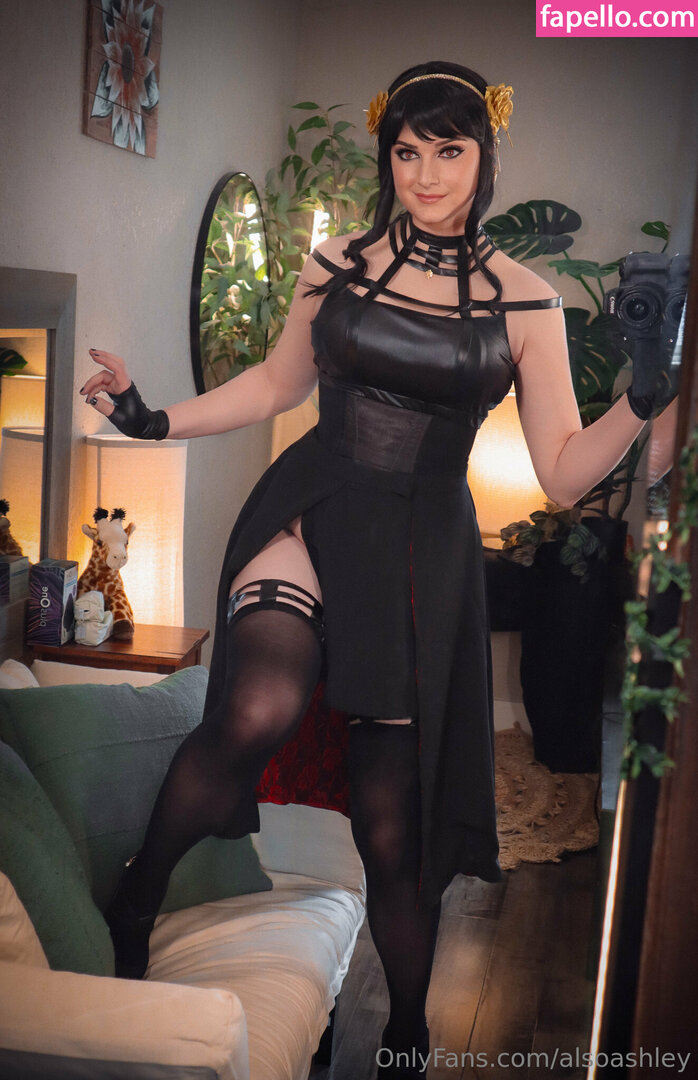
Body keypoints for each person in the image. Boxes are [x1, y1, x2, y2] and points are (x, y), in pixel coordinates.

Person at [80, 60, 659, 1080]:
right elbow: (274, 385)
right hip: (312, 505)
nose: (425, 175)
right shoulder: (336, 263)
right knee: (256, 702)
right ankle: (137, 896)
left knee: (393, 827)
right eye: (406, 151)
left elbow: (565, 472)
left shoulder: (526, 302)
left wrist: (644, 401)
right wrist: (147, 417)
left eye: (449, 151)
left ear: (484, 157)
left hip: (419, 555)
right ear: (385, 155)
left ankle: (406, 1034)